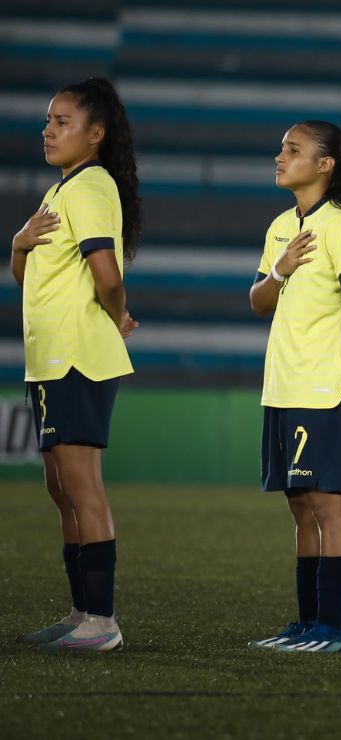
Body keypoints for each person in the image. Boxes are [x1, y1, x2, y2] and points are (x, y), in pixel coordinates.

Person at [12, 78, 141, 652]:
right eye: (47, 119)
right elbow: (31, 277)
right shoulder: (60, 191)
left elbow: (106, 273)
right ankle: (80, 612)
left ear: (96, 135)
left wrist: (117, 314)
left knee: (81, 486)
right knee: (61, 488)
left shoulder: (90, 187)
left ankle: (103, 622)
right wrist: (18, 244)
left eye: (62, 121)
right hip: (49, 359)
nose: (48, 129)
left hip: (76, 357)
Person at [247, 120, 341, 654]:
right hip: (283, 386)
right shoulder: (281, 226)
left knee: (328, 507)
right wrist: (277, 272)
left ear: (325, 165)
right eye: (281, 148)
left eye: (293, 150)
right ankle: (307, 624)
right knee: (300, 504)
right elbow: (258, 302)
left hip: (323, 388)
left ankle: (333, 628)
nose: (281, 156)